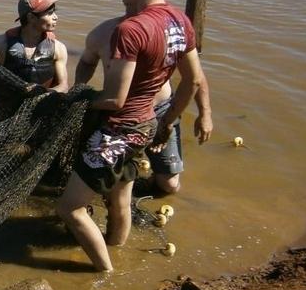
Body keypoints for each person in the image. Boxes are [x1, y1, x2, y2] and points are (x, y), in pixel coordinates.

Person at [57, 0, 207, 271]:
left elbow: (115, 100)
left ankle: (104, 273)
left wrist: (74, 102)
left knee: (69, 208)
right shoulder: (180, 22)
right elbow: (193, 81)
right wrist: (167, 122)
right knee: (120, 197)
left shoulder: (131, 29)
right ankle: (117, 254)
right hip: (148, 124)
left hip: (118, 131)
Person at [75, 18, 212, 194]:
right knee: (99, 178)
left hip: (161, 111)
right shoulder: (102, 32)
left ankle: (147, 176)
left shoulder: (169, 33)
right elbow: (87, 61)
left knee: (169, 186)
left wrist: (205, 113)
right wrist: (78, 90)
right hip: (122, 115)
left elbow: (195, 76)